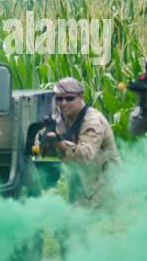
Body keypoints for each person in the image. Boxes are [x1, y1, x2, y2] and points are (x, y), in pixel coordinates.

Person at [51, 77, 120, 207]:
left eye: (69, 98)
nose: (63, 103)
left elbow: (85, 155)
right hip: (82, 184)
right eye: (59, 99)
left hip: (105, 187)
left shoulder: (92, 120)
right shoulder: (63, 117)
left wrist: (59, 143)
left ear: (81, 97)